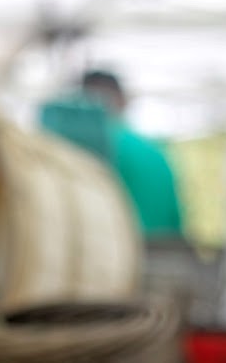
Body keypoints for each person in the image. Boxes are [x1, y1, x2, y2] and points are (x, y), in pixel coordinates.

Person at [46, 69, 185, 241]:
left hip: (107, 252)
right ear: (123, 101)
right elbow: (177, 224)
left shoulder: (80, 151)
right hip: (165, 255)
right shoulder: (156, 153)